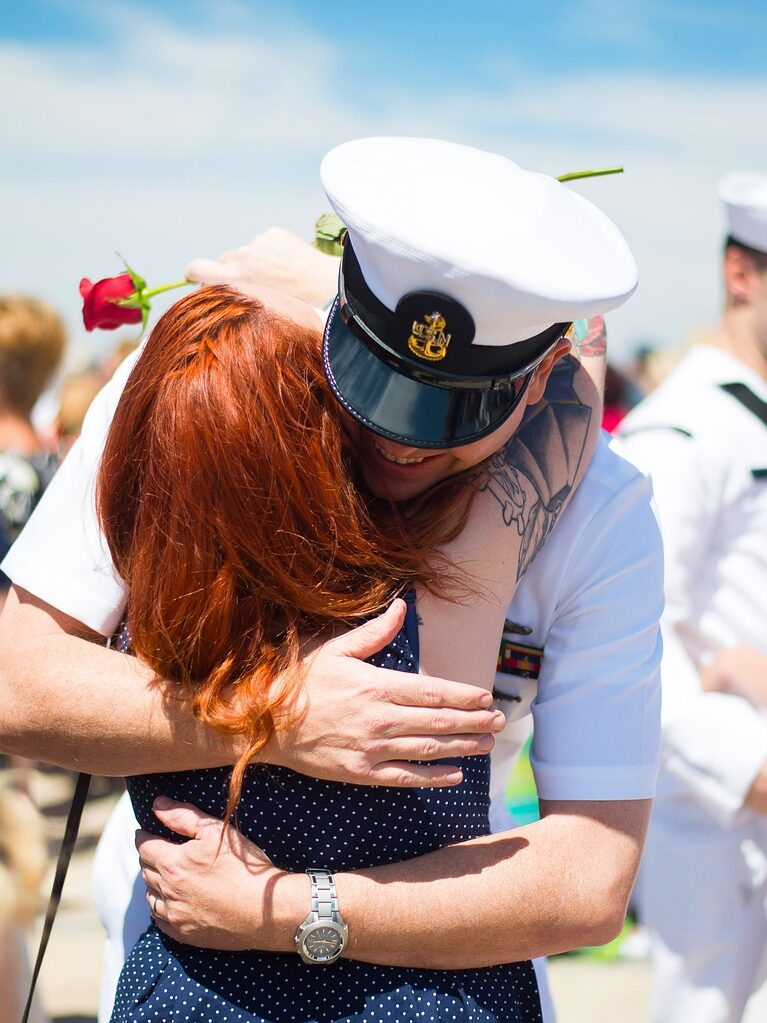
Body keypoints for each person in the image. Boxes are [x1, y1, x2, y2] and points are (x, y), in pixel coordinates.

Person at [0, 137, 662, 1020]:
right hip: (187, 922)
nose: (404, 440)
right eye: (374, 388)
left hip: (446, 950)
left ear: (538, 381)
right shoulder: (199, 397)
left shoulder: (599, 509)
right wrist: (276, 714)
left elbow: (587, 873)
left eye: (451, 410)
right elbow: (20, 677)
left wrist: (294, 909)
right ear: (335, 321)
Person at [619, 170, 767, 1023]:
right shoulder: (680, 428)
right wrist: (746, 771)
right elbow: (636, 640)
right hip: (720, 820)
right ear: (740, 275)